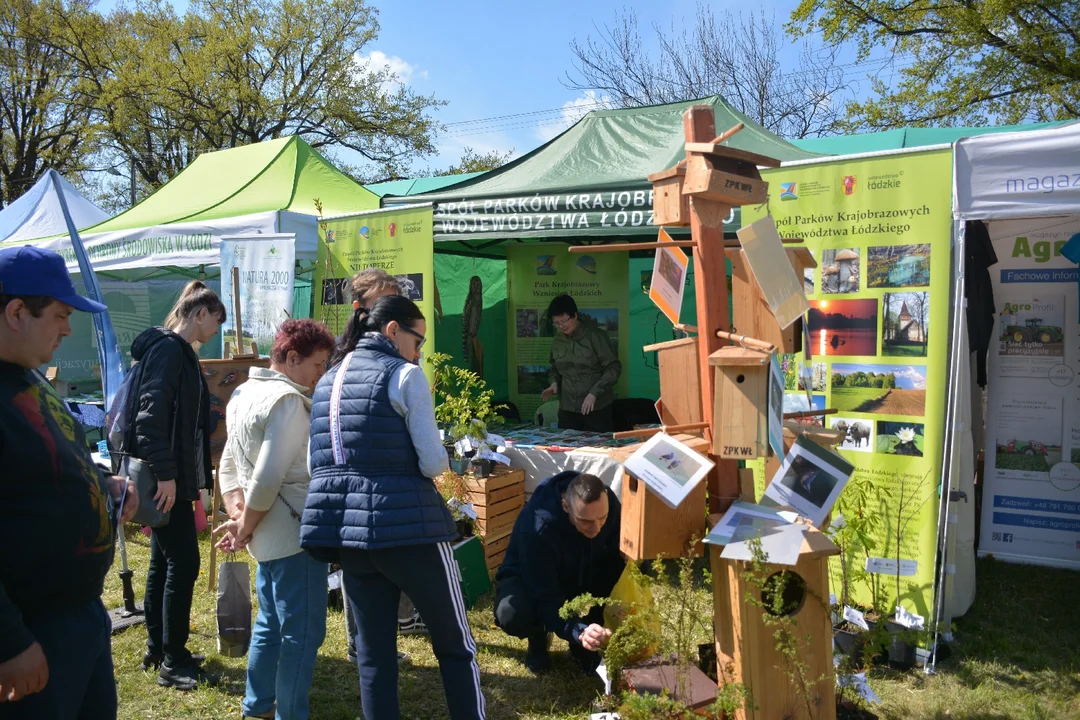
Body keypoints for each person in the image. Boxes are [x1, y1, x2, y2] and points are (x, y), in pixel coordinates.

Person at [302, 294, 485, 720]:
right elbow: (433, 461)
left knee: (373, 654)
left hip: (347, 532)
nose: (419, 351)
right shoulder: (404, 374)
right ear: (392, 331)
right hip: (409, 527)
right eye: (418, 340)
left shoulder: (327, 378)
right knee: (456, 645)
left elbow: (318, 463)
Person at [0, 246, 138, 717]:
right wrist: (10, 641)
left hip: (79, 618)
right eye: (60, 315)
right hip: (29, 631)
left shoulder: (29, 378)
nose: (67, 328)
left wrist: (103, 488)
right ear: (17, 312)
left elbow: (52, 463)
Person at [214, 319, 335, 720]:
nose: (321, 375)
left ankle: (257, 706)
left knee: (270, 622)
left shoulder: (245, 391)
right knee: (301, 633)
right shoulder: (286, 401)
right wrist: (244, 522)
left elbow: (228, 464)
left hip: (267, 529)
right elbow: (267, 476)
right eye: (318, 365)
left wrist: (237, 512)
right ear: (293, 357)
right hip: (292, 532)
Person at [128, 280, 224, 690]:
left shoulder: (175, 352)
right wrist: (167, 475)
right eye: (216, 321)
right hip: (167, 479)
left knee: (162, 562)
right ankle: (174, 659)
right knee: (184, 563)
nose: (216, 331)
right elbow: (149, 418)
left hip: (174, 477)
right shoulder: (169, 350)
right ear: (199, 313)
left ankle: (159, 646)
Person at [335, 268, 428, 661]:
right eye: (386, 299)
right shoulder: (344, 357)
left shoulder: (401, 360)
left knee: (397, 551)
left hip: (392, 480)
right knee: (358, 566)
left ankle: (402, 617)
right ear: (362, 308)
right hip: (357, 483)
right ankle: (361, 640)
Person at [493, 471, 624, 675]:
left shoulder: (607, 501)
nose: (596, 528)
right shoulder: (538, 526)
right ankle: (538, 634)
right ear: (565, 507)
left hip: (581, 570)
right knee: (512, 614)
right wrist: (576, 630)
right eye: (586, 521)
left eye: (603, 518)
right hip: (532, 577)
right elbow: (544, 594)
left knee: (624, 567)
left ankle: (591, 634)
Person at [540, 294, 621, 433]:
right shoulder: (558, 341)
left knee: (598, 451)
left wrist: (594, 393)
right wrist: (554, 383)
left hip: (597, 408)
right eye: (556, 323)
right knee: (565, 449)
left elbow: (613, 368)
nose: (561, 326)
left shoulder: (595, 336)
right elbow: (554, 369)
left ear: (575, 315)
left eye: (564, 321)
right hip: (567, 410)